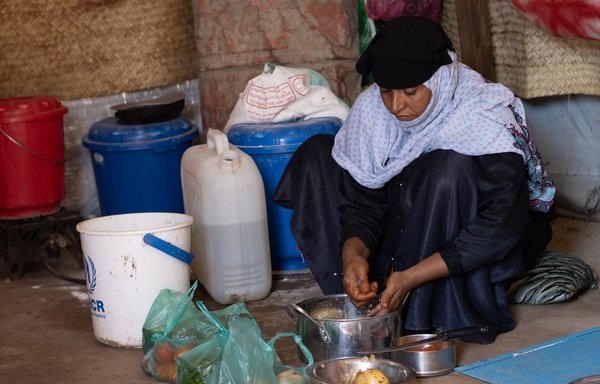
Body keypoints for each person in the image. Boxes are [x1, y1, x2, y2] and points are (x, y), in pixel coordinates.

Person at [272, 16, 556, 344]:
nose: (396, 106)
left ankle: (421, 307)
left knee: (447, 170)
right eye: (387, 91)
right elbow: (364, 203)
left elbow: (501, 225)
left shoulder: (482, 115)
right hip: (404, 228)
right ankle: (360, 298)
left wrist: (410, 277)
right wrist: (354, 256)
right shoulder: (373, 113)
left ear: (440, 81)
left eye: (410, 91)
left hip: (468, 248)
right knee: (317, 153)